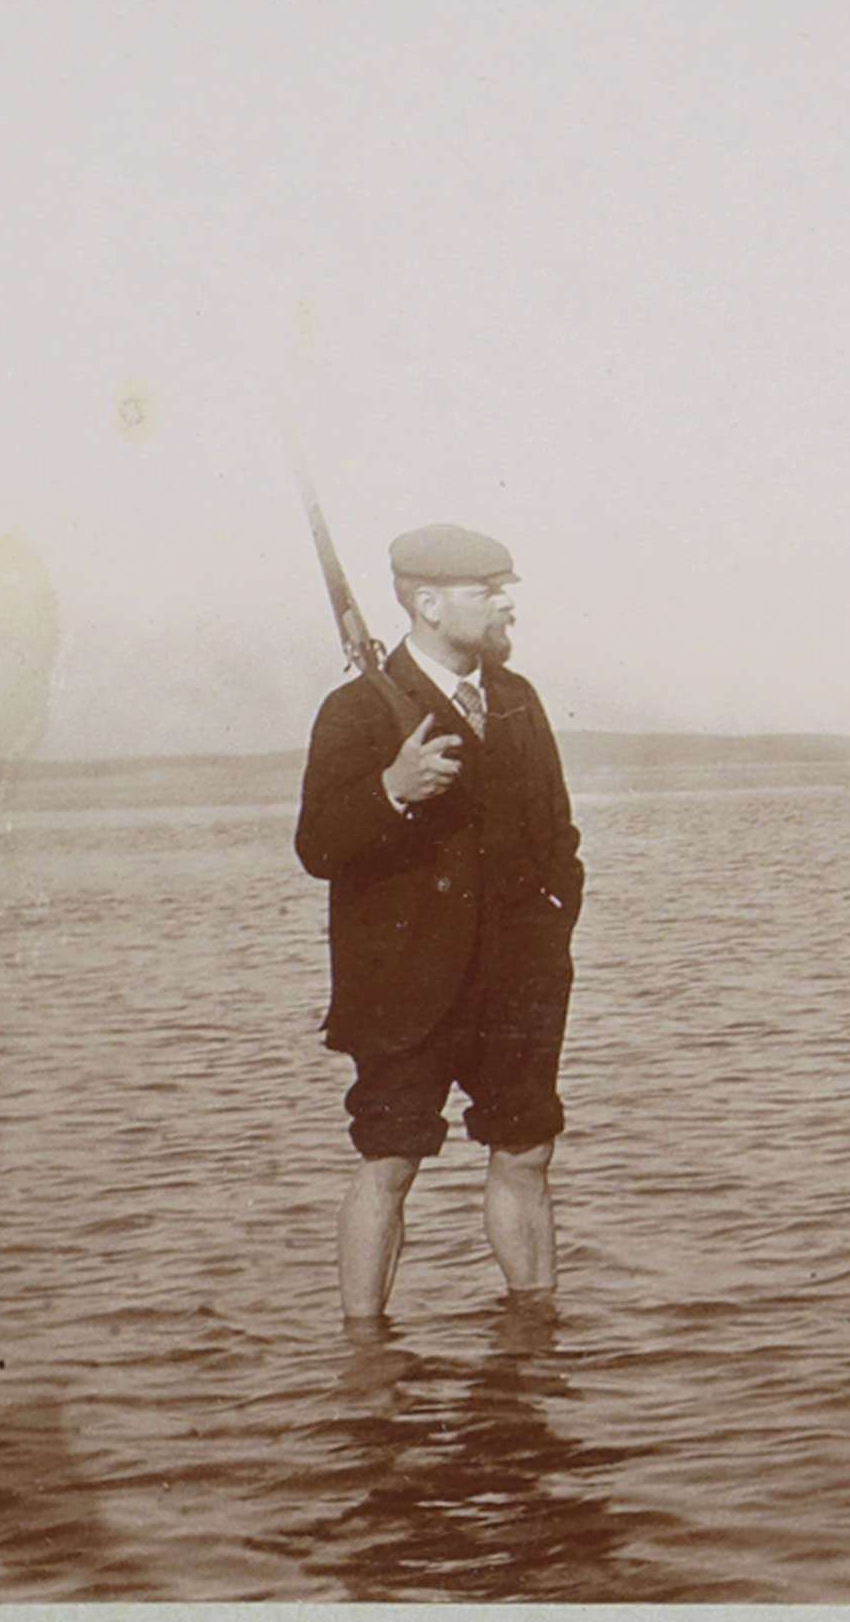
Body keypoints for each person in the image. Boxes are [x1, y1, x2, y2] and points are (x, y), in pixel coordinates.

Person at [295, 523, 585, 1324]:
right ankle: (363, 1351)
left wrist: (551, 930)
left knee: (526, 1152)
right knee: (389, 1162)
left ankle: (535, 1339)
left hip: (517, 985)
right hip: (404, 988)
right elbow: (317, 846)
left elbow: (557, 837)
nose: (505, 604)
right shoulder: (356, 710)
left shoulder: (518, 699)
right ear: (426, 603)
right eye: (486, 591)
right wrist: (391, 788)